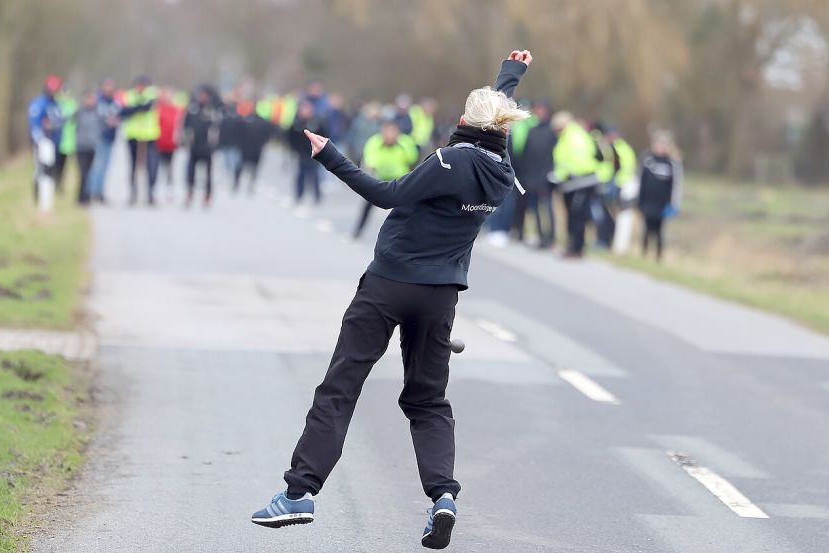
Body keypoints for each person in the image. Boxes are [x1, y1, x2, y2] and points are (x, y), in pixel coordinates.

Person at [250, 49, 533, 551]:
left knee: (341, 386)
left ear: (466, 121)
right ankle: (443, 497)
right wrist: (510, 76)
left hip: (389, 285)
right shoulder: (500, 168)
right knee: (427, 400)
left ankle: (299, 494)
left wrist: (330, 156)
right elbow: (494, 114)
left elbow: (385, 194)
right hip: (442, 295)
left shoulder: (451, 161)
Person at [351, 120, 419, 239]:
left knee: (409, 208)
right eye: (387, 132)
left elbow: (413, 158)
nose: (390, 135)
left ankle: (410, 237)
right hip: (380, 179)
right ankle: (358, 231)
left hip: (400, 180)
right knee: (367, 205)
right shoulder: (374, 142)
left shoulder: (405, 142)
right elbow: (370, 162)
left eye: (393, 132)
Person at [551, 111, 601, 258]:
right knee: (573, 216)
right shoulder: (568, 136)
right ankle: (573, 247)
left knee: (577, 216)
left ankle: (576, 249)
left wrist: (561, 176)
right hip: (573, 184)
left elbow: (577, 163)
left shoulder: (574, 137)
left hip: (581, 183)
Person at [517, 100, 558, 248]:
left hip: (546, 177)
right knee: (534, 209)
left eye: (542, 110)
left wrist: (551, 172)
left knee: (547, 208)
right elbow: (525, 153)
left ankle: (550, 238)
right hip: (531, 177)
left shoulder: (551, 132)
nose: (539, 113)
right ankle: (541, 236)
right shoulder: (531, 131)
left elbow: (555, 155)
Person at [638, 130, 684, 261]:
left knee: (659, 230)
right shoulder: (647, 159)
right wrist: (638, 199)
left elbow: (676, 185)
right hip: (647, 201)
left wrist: (674, 204)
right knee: (646, 228)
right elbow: (640, 179)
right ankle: (644, 253)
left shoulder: (672, 163)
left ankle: (658, 256)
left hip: (662, 203)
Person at [121, 76, 161, 206]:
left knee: (151, 166)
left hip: (149, 135)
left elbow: (147, 107)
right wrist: (139, 107)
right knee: (133, 166)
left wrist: (136, 108)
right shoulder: (129, 95)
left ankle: (150, 193)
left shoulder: (152, 94)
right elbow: (125, 111)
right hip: (133, 135)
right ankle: (133, 192)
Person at [181, 85, 222, 208]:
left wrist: (214, 144)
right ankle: (190, 193)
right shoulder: (193, 109)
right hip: (194, 145)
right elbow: (185, 126)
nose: (202, 97)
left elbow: (217, 128)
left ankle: (207, 194)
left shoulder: (213, 111)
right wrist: (185, 141)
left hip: (207, 146)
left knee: (208, 173)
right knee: (190, 172)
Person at [28, 75, 65, 198]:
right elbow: (35, 125)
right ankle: (38, 196)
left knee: (52, 170)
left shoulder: (57, 105)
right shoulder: (39, 104)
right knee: (40, 170)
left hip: (55, 142)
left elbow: (60, 121)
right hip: (42, 142)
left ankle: (49, 195)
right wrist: (39, 141)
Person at [87, 79, 121, 204]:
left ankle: (100, 192)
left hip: (110, 138)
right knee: (98, 166)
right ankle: (93, 192)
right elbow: (95, 117)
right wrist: (107, 121)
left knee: (105, 167)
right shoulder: (98, 101)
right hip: (99, 137)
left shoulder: (115, 102)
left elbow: (120, 114)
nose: (109, 90)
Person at [287, 101, 327, 206]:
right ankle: (299, 195)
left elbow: (324, 136)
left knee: (314, 175)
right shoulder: (297, 124)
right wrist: (295, 149)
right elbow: (290, 137)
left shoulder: (316, 123)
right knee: (301, 174)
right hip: (301, 154)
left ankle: (317, 196)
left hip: (315, 153)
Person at [235, 100, 276, 195]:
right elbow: (239, 132)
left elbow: (268, 134)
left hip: (257, 148)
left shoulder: (263, 122)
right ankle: (237, 182)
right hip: (246, 147)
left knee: (254, 168)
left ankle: (251, 185)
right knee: (241, 166)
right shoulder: (245, 119)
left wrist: (263, 143)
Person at [72, 90, 104, 205]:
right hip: (81, 147)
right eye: (88, 99)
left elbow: (103, 126)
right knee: (83, 172)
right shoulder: (79, 112)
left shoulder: (98, 113)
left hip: (92, 147)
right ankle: (81, 197)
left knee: (90, 173)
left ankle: (87, 196)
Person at [156, 88, 184, 195]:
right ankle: (158, 187)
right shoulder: (158, 108)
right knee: (158, 165)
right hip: (159, 142)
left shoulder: (177, 110)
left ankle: (169, 187)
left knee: (170, 166)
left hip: (171, 143)